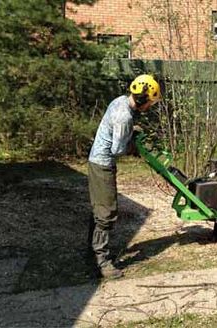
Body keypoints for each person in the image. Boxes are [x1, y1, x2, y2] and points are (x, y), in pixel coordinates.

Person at [88, 74, 161, 279]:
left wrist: (132, 131)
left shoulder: (120, 101)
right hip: (102, 164)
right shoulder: (124, 116)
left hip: (98, 162)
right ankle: (102, 262)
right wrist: (134, 146)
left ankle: (92, 251)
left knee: (100, 208)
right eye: (150, 102)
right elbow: (118, 149)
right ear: (142, 99)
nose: (150, 106)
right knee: (106, 213)